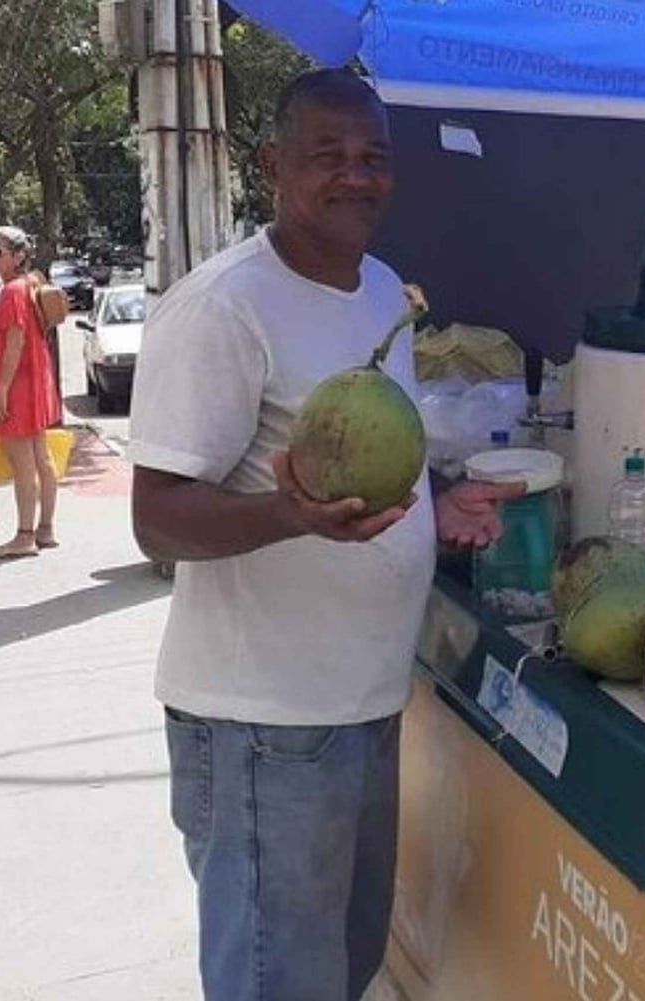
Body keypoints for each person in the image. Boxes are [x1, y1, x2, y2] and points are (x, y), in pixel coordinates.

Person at [128, 69, 523, 1001]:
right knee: (279, 982)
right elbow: (156, 517)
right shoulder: (224, 306)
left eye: (374, 157)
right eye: (328, 155)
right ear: (272, 167)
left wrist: (441, 496)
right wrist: (285, 514)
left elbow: (370, 450)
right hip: (262, 726)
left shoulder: (382, 289)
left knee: (343, 971)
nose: (356, 176)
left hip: (365, 705)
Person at [0, 225, 61, 559]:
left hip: (18, 386)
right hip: (36, 382)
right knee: (41, 458)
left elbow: (15, 342)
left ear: (19, 256)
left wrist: (0, 390)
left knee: (24, 464)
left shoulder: (13, 290)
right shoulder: (28, 285)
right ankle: (45, 530)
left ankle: (24, 536)